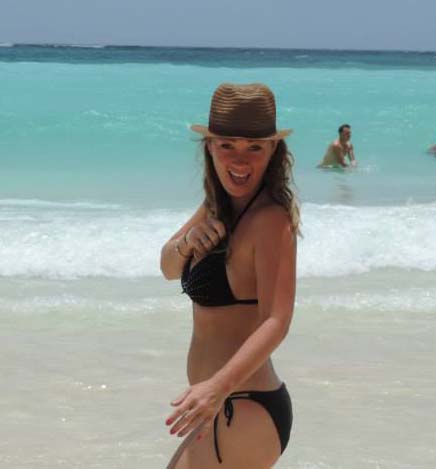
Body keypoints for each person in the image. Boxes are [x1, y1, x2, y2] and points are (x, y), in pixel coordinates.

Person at [160, 82, 300, 468]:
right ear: (210, 147)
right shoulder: (217, 206)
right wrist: (187, 243)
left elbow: (277, 321)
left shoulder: (270, 220)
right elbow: (168, 268)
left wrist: (216, 388)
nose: (240, 160)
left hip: (243, 405)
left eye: (254, 147)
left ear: (273, 151)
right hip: (213, 404)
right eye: (227, 145)